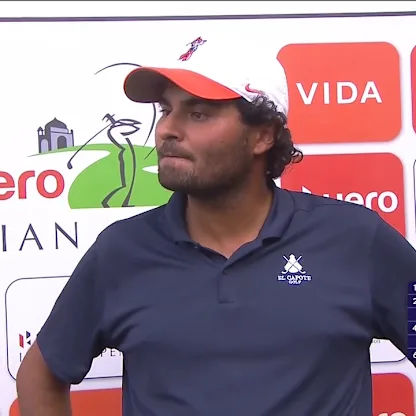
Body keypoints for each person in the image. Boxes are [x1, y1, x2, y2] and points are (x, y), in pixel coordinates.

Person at [16, 35, 416, 416]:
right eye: (166, 110)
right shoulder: (121, 251)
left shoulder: (354, 239)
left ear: (263, 135)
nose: (167, 129)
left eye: (198, 114)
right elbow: (41, 374)